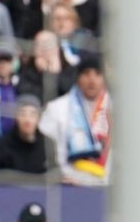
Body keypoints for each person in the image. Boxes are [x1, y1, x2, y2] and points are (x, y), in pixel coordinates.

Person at [38, 55, 111, 186]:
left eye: (97, 74)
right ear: (78, 78)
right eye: (86, 74)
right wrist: (57, 175)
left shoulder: (117, 111)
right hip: (69, 186)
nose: (92, 80)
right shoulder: (57, 109)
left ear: (104, 79)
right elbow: (43, 151)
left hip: (108, 187)